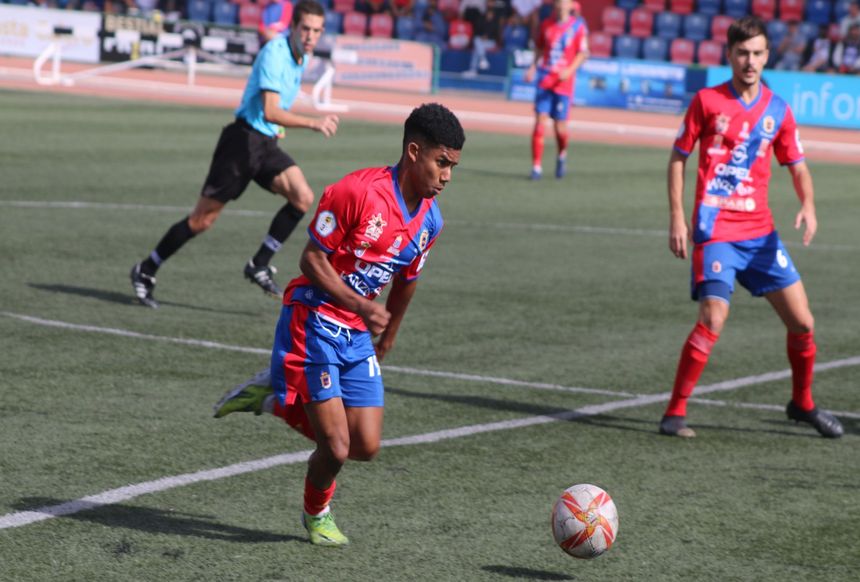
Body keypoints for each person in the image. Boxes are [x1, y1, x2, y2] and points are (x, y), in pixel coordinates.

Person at [212, 103, 466, 546]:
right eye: (441, 162)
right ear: (413, 152)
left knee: (366, 445)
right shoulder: (356, 192)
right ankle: (317, 514)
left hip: (356, 333)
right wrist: (362, 305)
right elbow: (311, 260)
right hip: (313, 318)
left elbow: (407, 280)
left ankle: (273, 398)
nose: (446, 176)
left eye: (452, 167)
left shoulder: (431, 220)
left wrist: (390, 333)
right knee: (337, 448)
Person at [660, 15, 843, 440]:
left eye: (757, 53)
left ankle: (803, 404)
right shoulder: (707, 101)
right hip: (716, 231)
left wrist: (808, 205)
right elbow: (678, 158)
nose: (750, 61)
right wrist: (676, 217)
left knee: (803, 323)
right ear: (729, 54)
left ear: (767, 56)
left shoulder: (778, 110)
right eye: (742, 52)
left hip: (761, 235)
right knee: (713, 318)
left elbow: (798, 166)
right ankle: (674, 412)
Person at [130, 0, 339, 309]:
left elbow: (273, 113)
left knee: (303, 197)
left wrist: (278, 130)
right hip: (241, 143)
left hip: (265, 144)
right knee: (201, 221)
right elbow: (270, 111)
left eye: (317, 31)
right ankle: (146, 269)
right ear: (293, 27)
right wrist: (313, 123)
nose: (310, 36)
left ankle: (259, 263)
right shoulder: (275, 53)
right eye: (305, 28)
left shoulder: (301, 57)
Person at [524, 0, 589, 180]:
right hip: (545, 79)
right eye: (558, 3)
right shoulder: (546, 24)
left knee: (560, 127)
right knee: (540, 121)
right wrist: (532, 67)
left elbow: (583, 53)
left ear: (571, 5)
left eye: (564, 3)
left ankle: (561, 154)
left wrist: (569, 70)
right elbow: (539, 47)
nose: (561, 6)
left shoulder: (578, 26)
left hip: (563, 83)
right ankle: (536, 167)